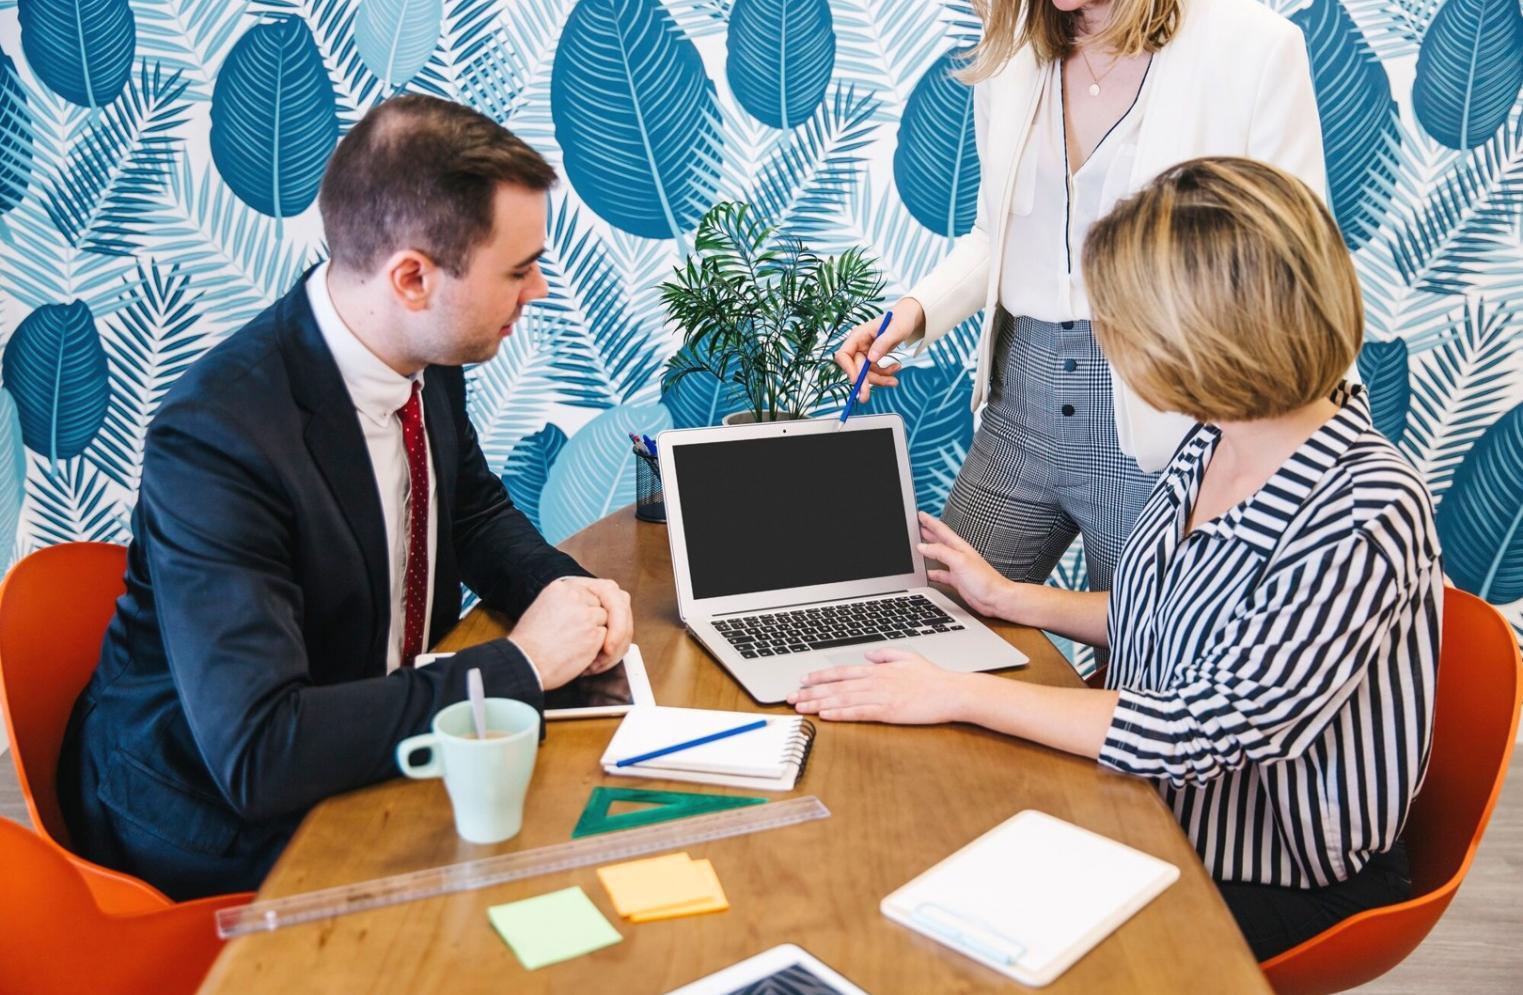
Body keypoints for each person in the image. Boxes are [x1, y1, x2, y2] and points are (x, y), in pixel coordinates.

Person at [795, 158, 1441, 960]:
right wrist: (1011, 597)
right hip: (1152, 803)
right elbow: (1169, 615)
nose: (1106, 349)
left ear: (1206, 341)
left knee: (960, 932)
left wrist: (950, 692)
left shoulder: (1361, 510)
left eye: (1120, 326)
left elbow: (1193, 728)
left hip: (1271, 869)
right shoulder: (1215, 436)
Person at [57, 95, 633, 900]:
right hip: (214, 813)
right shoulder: (217, 437)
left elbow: (468, 507)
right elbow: (262, 750)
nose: (538, 289)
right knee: (522, 893)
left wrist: (559, 588)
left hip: (369, 728)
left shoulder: (426, 351)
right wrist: (522, 663)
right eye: (518, 268)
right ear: (411, 277)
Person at [835, 0, 1325, 611]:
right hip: (1021, 403)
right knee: (933, 615)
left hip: (1163, 418)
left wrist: (1335, 470)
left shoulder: (1254, 46)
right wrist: (910, 314)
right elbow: (998, 234)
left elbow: (1298, 267)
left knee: (1148, 652)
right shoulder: (1014, 43)